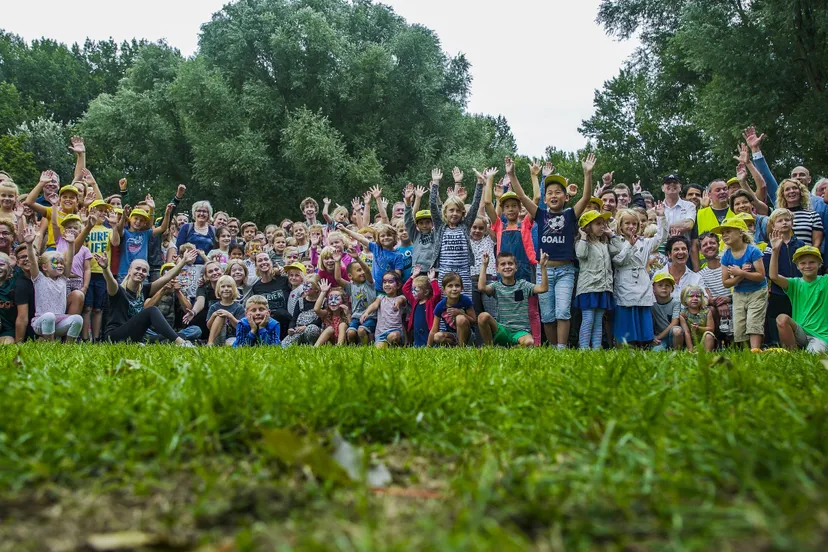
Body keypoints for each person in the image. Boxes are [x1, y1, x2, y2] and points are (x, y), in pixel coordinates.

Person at [510, 154, 595, 348]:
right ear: (545, 198)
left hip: (565, 271)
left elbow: (587, 197)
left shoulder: (570, 214)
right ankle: (553, 347)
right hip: (544, 271)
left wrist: (587, 173)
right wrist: (512, 174)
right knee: (547, 314)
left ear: (565, 197)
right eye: (550, 192)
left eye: (558, 192)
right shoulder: (540, 214)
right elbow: (522, 197)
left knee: (563, 311)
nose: (554, 195)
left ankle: (561, 349)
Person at [99, 248, 197, 345]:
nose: (141, 272)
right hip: (114, 337)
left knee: (177, 334)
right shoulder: (118, 291)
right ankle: (180, 343)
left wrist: (183, 261)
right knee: (152, 310)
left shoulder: (144, 290)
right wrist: (105, 268)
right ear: (129, 271)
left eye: (144, 270)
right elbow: (110, 280)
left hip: (135, 335)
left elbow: (167, 277)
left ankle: (175, 339)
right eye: (137, 269)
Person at [612, 205, 668, 346]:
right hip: (625, 281)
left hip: (642, 281)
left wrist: (661, 217)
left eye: (634, 223)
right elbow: (618, 261)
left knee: (642, 312)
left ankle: (644, 343)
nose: (631, 226)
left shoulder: (645, 242)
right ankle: (624, 344)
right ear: (620, 224)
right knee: (626, 313)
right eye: (627, 223)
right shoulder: (615, 241)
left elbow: (662, 237)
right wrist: (629, 245)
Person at [429, 167, 483, 296]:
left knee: (465, 303)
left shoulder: (465, 225)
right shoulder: (441, 226)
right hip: (445, 272)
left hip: (463, 271)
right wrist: (435, 183)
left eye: (458, 211)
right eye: (451, 210)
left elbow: (475, 205)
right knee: (446, 305)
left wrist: (480, 183)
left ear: (462, 212)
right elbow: (432, 205)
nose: (455, 213)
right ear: (445, 212)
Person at [23, 226, 84, 341]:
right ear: (44, 267)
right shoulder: (39, 279)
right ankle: (50, 346)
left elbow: (69, 260)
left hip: (59, 322)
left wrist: (71, 244)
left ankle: (68, 347)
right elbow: (32, 262)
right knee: (49, 316)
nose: (60, 265)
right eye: (55, 263)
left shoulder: (62, 279)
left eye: (61, 263)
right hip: (41, 321)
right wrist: (29, 244)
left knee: (77, 319)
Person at [477, 251, 549, 347]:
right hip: (502, 330)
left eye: (510, 263)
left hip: (520, 332)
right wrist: (484, 266)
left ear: (516, 267)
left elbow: (543, 288)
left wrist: (543, 267)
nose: (507, 266)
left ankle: (511, 349)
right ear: (497, 269)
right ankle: (489, 348)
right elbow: (482, 287)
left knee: (529, 342)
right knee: (483, 316)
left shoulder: (524, 285)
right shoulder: (496, 286)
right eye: (503, 264)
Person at [716, 217, 767, 350]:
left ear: (740, 232)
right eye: (723, 233)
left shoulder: (753, 251)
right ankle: (745, 353)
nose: (724, 235)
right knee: (739, 325)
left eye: (728, 231)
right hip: (739, 293)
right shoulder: (726, 255)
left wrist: (742, 273)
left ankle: (755, 351)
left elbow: (761, 276)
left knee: (753, 321)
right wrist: (740, 275)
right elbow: (726, 283)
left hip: (757, 292)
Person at [768, 243, 828, 353]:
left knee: (812, 357)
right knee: (782, 318)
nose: (807, 266)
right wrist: (775, 251)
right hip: (800, 332)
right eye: (803, 263)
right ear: (797, 266)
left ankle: (806, 351)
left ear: (820, 264)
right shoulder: (794, 284)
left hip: (820, 336)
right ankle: (792, 353)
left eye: (812, 262)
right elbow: (773, 276)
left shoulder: (825, 281)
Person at [575, 211, 619, 349]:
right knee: (588, 319)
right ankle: (583, 348)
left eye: (603, 224)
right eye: (598, 224)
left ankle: (595, 348)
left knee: (598, 321)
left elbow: (619, 249)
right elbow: (581, 254)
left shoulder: (604, 244)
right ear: (587, 226)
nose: (602, 227)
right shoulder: (582, 243)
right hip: (588, 287)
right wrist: (583, 236)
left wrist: (611, 234)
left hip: (603, 287)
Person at [762, 209, 805, 346]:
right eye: (780, 221)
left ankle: (800, 341)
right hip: (778, 289)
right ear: (773, 226)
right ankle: (777, 343)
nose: (784, 222)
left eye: (787, 220)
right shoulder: (770, 246)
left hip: (798, 289)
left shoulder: (800, 244)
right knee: (777, 315)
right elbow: (766, 268)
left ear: (792, 223)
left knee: (797, 315)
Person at [337, 222, 403, 293]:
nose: (386, 237)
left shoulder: (398, 255)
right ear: (378, 239)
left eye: (389, 235)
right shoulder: (376, 248)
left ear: (395, 237)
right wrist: (345, 230)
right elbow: (361, 238)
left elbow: (397, 275)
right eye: (383, 236)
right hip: (373, 288)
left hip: (389, 290)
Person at [247, 252, 292, 339]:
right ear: (256, 266)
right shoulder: (256, 287)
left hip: (285, 318)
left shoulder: (283, 280)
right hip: (267, 321)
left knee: (280, 314)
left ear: (271, 262)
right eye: (260, 261)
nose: (263, 262)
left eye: (266, 259)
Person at [335, 253, 376, 345]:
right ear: (350, 276)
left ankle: (365, 348)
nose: (362, 272)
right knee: (350, 333)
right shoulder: (350, 286)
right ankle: (354, 349)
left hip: (370, 317)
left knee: (361, 330)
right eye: (358, 270)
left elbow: (367, 271)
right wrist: (337, 261)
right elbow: (338, 278)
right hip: (356, 317)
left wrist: (357, 258)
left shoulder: (369, 283)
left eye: (362, 270)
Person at [360, 271, 406, 348]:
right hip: (381, 333)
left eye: (391, 282)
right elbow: (374, 305)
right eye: (385, 282)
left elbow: (401, 300)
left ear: (398, 285)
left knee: (393, 337)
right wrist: (366, 312)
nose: (387, 284)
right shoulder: (381, 297)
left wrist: (397, 302)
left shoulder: (400, 298)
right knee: (379, 351)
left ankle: (396, 346)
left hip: (395, 331)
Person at [430, 272, 476, 347]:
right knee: (437, 336)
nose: (454, 289)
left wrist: (460, 313)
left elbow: (474, 321)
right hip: (452, 335)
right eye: (450, 286)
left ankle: (462, 349)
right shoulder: (440, 306)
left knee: (460, 318)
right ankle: (454, 346)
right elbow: (434, 330)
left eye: (457, 285)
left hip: (468, 334)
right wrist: (428, 348)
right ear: (443, 290)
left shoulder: (465, 300)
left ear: (462, 288)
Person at [653, 236, 706, 300]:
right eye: (676, 249)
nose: (681, 252)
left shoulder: (696, 278)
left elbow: (704, 299)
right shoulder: (657, 276)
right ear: (669, 254)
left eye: (684, 249)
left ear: (688, 253)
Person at [401, 265, 441, 347]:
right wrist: (413, 276)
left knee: (427, 343)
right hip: (417, 331)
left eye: (416, 290)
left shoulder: (431, 302)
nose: (413, 292)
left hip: (428, 330)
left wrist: (432, 280)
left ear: (426, 292)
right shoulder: (414, 301)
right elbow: (405, 289)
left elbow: (437, 294)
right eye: (412, 289)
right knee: (417, 345)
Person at [281, 275, 323, 347]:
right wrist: (291, 328)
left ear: (316, 289)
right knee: (285, 345)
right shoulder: (300, 301)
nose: (305, 289)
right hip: (299, 329)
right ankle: (301, 343)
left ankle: (312, 345)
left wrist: (306, 326)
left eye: (308, 287)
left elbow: (320, 320)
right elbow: (294, 319)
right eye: (304, 286)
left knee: (311, 329)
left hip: (314, 329)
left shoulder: (322, 302)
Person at [204, 275, 245, 346]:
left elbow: (240, 327)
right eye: (223, 286)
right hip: (217, 337)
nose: (226, 289)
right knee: (220, 316)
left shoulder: (239, 307)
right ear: (218, 290)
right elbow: (209, 326)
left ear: (234, 289)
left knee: (231, 344)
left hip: (233, 337)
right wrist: (214, 316)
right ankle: (209, 344)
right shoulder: (214, 307)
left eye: (229, 286)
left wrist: (229, 316)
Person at [403, 184, 436, 272]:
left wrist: (435, 195)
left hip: (433, 270)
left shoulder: (436, 234)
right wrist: (408, 202)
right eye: (421, 223)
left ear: (432, 223)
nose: (424, 225)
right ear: (417, 225)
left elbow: (438, 216)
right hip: (417, 271)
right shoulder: (415, 235)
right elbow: (408, 221)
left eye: (427, 222)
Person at [678, 285, 716, 352]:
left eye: (698, 296)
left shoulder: (706, 312)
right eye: (691, 296)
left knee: (708, 335)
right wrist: (690, 349)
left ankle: (707, 353)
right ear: (684, 299)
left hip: (704, 342)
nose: (695, 298)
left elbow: (711, 329)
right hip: (691, 343)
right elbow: (687, 332)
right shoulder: (683, 314)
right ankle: (691, 350)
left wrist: (699, 329)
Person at [651, 273, 683, 351]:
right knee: (656, 352)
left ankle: (676, 352)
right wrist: (653, 337)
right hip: (659, 338)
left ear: (672, 289)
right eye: (660, 285)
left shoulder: (676, 303)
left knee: (677, 330)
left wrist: (659, 337)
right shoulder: (651, 305)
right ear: (653, 289)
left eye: (667, 285)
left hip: (673, 335)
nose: (664, 288)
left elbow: (674, 322)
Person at [313, 280, 350, 346]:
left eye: (336, 299)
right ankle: (316, 347)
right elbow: (316, 309)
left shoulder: (346, 312)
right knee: (330, 328)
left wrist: (347, 314)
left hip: (345, 340)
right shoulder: (326, 313)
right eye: (330, 299)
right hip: (331, 340)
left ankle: (339, 347)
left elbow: (350, 325)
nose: (333, 301)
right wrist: (323, 292)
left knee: (342, 325)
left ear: (343, 301)